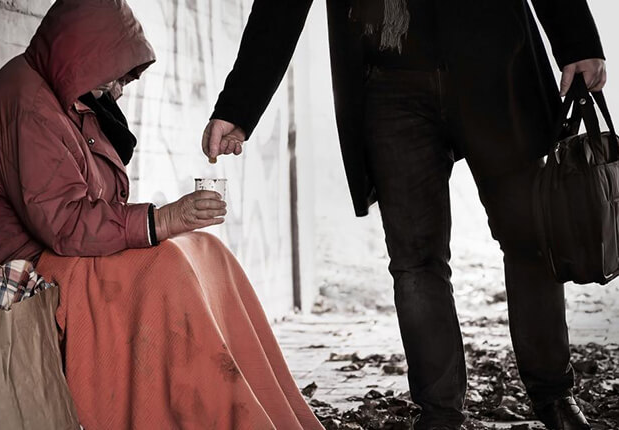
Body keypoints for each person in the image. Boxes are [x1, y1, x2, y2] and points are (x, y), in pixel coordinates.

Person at [202, 0, 607, 429]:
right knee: (415, 261)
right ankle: (439, 415)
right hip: (390, 81)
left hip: (494, 65)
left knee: (530, 240)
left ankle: (554, 397)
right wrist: (238, 107)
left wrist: (577, 40)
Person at [0, 0, 323, 429]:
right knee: (165, 268)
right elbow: (66, 225)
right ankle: (207, 416)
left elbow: (98, 204)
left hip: (55, 256)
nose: (118, 90)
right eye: (114, 75)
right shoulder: (27, 105)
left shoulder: (67, 97)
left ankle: (264, 413)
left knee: (203, 250)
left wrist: (166, 224)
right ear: (83, 53)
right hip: (7, 273)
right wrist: (161, 221)